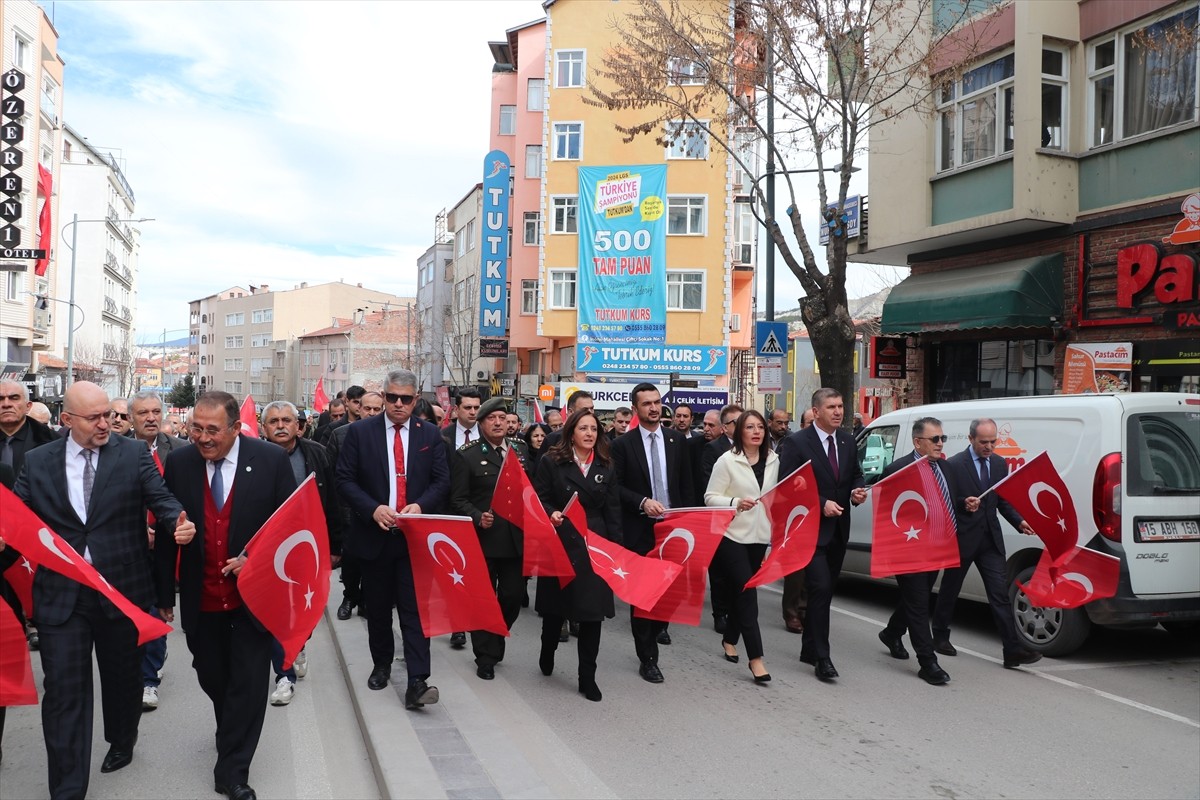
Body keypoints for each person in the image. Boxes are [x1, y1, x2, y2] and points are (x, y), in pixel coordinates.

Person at [15, 381, 193, 800]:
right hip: (63, 595)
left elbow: (161, 497)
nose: (106, 424)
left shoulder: (132, 454)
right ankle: (68, 787)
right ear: (66, 420)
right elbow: (20, 514)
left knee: (122, 678)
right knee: (63, 692)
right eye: (94, 417)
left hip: (121, 590)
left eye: (110, 416)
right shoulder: (39, 461)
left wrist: (176, 521)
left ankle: (122, 738)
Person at [156, 391, 296, 800]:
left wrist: (254, 559)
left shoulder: (270, 462)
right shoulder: (180, 463)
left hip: (252, 599)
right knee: (213, 676)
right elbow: (170, 529)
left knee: (249, 684)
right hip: (202, 599)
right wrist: (165, 592)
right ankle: (231, 729)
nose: (202, 437)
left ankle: (233, 771)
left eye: (212, 430)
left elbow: (288, 528)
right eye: (195, 428)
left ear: (236, 428)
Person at [337, 369, 449, 710]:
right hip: (375, 534)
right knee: (379, 607)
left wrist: (421, 504)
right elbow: (344, 479)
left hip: (414, 538)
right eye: (391, 397)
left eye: (406, 399)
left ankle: (418, 679)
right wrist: (373, 509)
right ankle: (382, 663)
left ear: (416, 400)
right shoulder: (359, 432)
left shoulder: (429, 433)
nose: (398, 404)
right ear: (382, 396)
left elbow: (442, 481)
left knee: (414, 612)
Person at [934, 418, 1042, 669]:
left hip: (990, 540)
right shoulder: (954, 465)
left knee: (999, 595)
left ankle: (1012, 650)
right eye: (984, 442)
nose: (990, 447)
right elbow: (945, 500)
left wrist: (1019, 522)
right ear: (971, 439)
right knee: (950, 589)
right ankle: (939, 636)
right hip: (962, 537)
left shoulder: (998, 464)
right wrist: (963, 503)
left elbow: (1002, 500)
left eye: (993, 442)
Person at [777, 388, 867, 682]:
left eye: (840, 406)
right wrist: (820, 503)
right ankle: (823, 658)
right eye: (831, 407)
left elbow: (855, 473)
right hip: (810, 531)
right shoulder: (796, 442)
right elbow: (787, 487)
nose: (838, 412)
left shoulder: (847, 440)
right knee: (819, 588)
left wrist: (857, 491)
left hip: (839, 529)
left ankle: (808, 647)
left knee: (824, 594)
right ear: (816, 412)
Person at [533, 408, 622, 702]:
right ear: (571, 431)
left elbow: (612, 510)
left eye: (594, 429)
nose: (589, 434)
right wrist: (551, 513)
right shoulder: (552, 461)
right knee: (555, 609)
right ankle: (548, 650)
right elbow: (539, 498)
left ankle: (588, 677)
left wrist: (616, 551)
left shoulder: (606, 465)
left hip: (593, 546)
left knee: (592, 615)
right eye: (583, 428)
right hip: (560, 540)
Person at [261, 400, 343, 705]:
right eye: (273, 421)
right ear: (263, 427)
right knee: (278, 615)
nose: (280, 425)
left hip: (308, 547)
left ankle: (298, 645)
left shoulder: (316, 454)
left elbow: (331, 500)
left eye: (286, 420)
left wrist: (336, 546)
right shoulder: (253, 456)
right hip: (268, 550)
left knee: (302, 612)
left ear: (299, 426)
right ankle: (284, 676)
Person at [610, 382, 692, 684]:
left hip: (673, 530)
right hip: (640, 529)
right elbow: (615, 488)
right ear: (636, 409)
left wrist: (688, 518)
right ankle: (648, 658)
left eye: (657, 402)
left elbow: (686, 485)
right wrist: (642, 502)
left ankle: (658, 628)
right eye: (647, 404)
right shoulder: (622, 445)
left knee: (667, 594)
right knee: (643, 597)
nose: (654, 408)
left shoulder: (675, 441)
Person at [449, 398, 531, 680]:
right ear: (481, 423)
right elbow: (458, 499)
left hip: (515, 539)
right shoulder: (467, 455)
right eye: (491, 418)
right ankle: (485, 656)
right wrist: (476, 516)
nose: (498, 423)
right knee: (482, 598)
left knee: (511, 596)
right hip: (483, 540)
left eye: (502, 417)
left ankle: (496, 636)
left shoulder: (520, 451)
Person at [875, 417, 955, 686]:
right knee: (920, 605)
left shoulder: (945, 467)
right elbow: (887, 513)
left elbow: (948, 501)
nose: (940, 443)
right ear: (918, 442)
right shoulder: (899, 469)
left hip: (936, 549)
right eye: (935, 439)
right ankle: (927, 662)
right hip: (908, 550)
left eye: (942, 438)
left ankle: (892, 632)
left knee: (915, 599)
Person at [705, 410, 777, 684]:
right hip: (731, 537)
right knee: (747, 594)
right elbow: (710, 497)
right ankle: (756, 659)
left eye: (760, 426)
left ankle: (729, 638)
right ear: (739, 431)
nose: (756, 431)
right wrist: (734, 502)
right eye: (750, 426)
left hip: (759, 538)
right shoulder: (727, 461)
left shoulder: (774, 459)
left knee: (741, 592)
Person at [127, 391, 186, 713]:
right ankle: (147, 677)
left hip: (168, 543)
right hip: (131, 545)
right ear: (130, 417)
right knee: (141, 612)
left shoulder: (180, 451)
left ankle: (150, 672)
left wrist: (166, 528)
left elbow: (184, 497)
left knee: (160, 606)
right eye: (142, 413)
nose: (150, 417)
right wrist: (141, 530)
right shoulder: (117, 450)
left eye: (155, 411)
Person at [0, 379, 57, 651]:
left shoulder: (53, 443)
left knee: (47, 621)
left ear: (27, 405)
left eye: (13, 398)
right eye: (1, 400)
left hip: (37, 541)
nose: (7, 404)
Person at [700, 404, 743, 635]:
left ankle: (736, 610)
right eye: (737, 422)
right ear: (726, 427)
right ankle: (720, 613)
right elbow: (709, 484)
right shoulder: (713, 449)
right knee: (719, 571)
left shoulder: (750, 448)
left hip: (745, 517)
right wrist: (733, 501)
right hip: (720, 515)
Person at [781, 407, 816, 634]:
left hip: (821, 513)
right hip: (797, 514)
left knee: (813, 568)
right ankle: (792, 611)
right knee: (796, 569)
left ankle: (806, 609)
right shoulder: (794, 444)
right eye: (809, 422)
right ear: (802, 425)